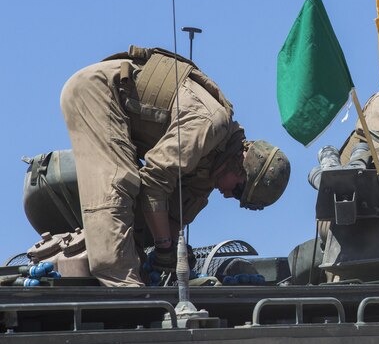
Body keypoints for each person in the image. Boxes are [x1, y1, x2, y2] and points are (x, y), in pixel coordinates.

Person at [60, 46, 290, 286]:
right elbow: (153, 184)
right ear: (242, 165)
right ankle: (122, 287)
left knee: (137, 216)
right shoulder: (210, 125)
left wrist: (171, 252)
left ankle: (135, 280)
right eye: (239, 191)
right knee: (118, 184)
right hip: (98, 92)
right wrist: (165, 247)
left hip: (123, 114)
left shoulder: (209, 172)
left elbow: (172, 216)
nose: (229, 195)